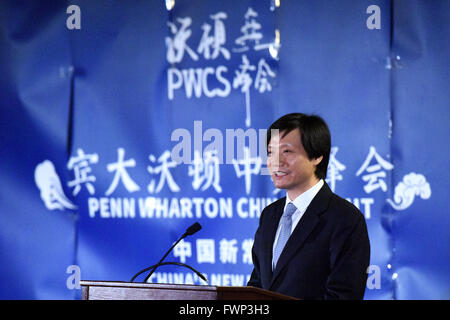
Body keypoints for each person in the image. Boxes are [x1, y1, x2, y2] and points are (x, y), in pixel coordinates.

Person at [247, 113, 370, 300]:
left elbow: (344, 296)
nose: (275, 162)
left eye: (287, 151)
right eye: (271, 152)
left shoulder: (345, 219)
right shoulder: (270, 215)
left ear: (317, 156)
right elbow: (257, 285)